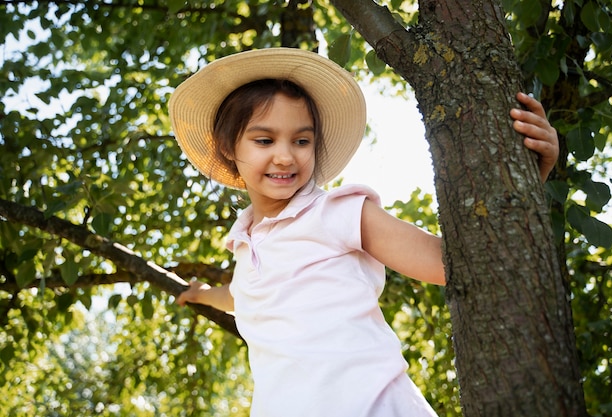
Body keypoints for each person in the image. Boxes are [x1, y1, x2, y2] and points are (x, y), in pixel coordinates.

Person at [170, 48, 559, 417]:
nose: (286, 156)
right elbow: (243, 296)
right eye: (264, 140)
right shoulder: (244, 244)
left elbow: (453, 263)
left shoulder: (336, 212)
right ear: (227, 147)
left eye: (302, 140)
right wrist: (201, 294)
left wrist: (528, 177)